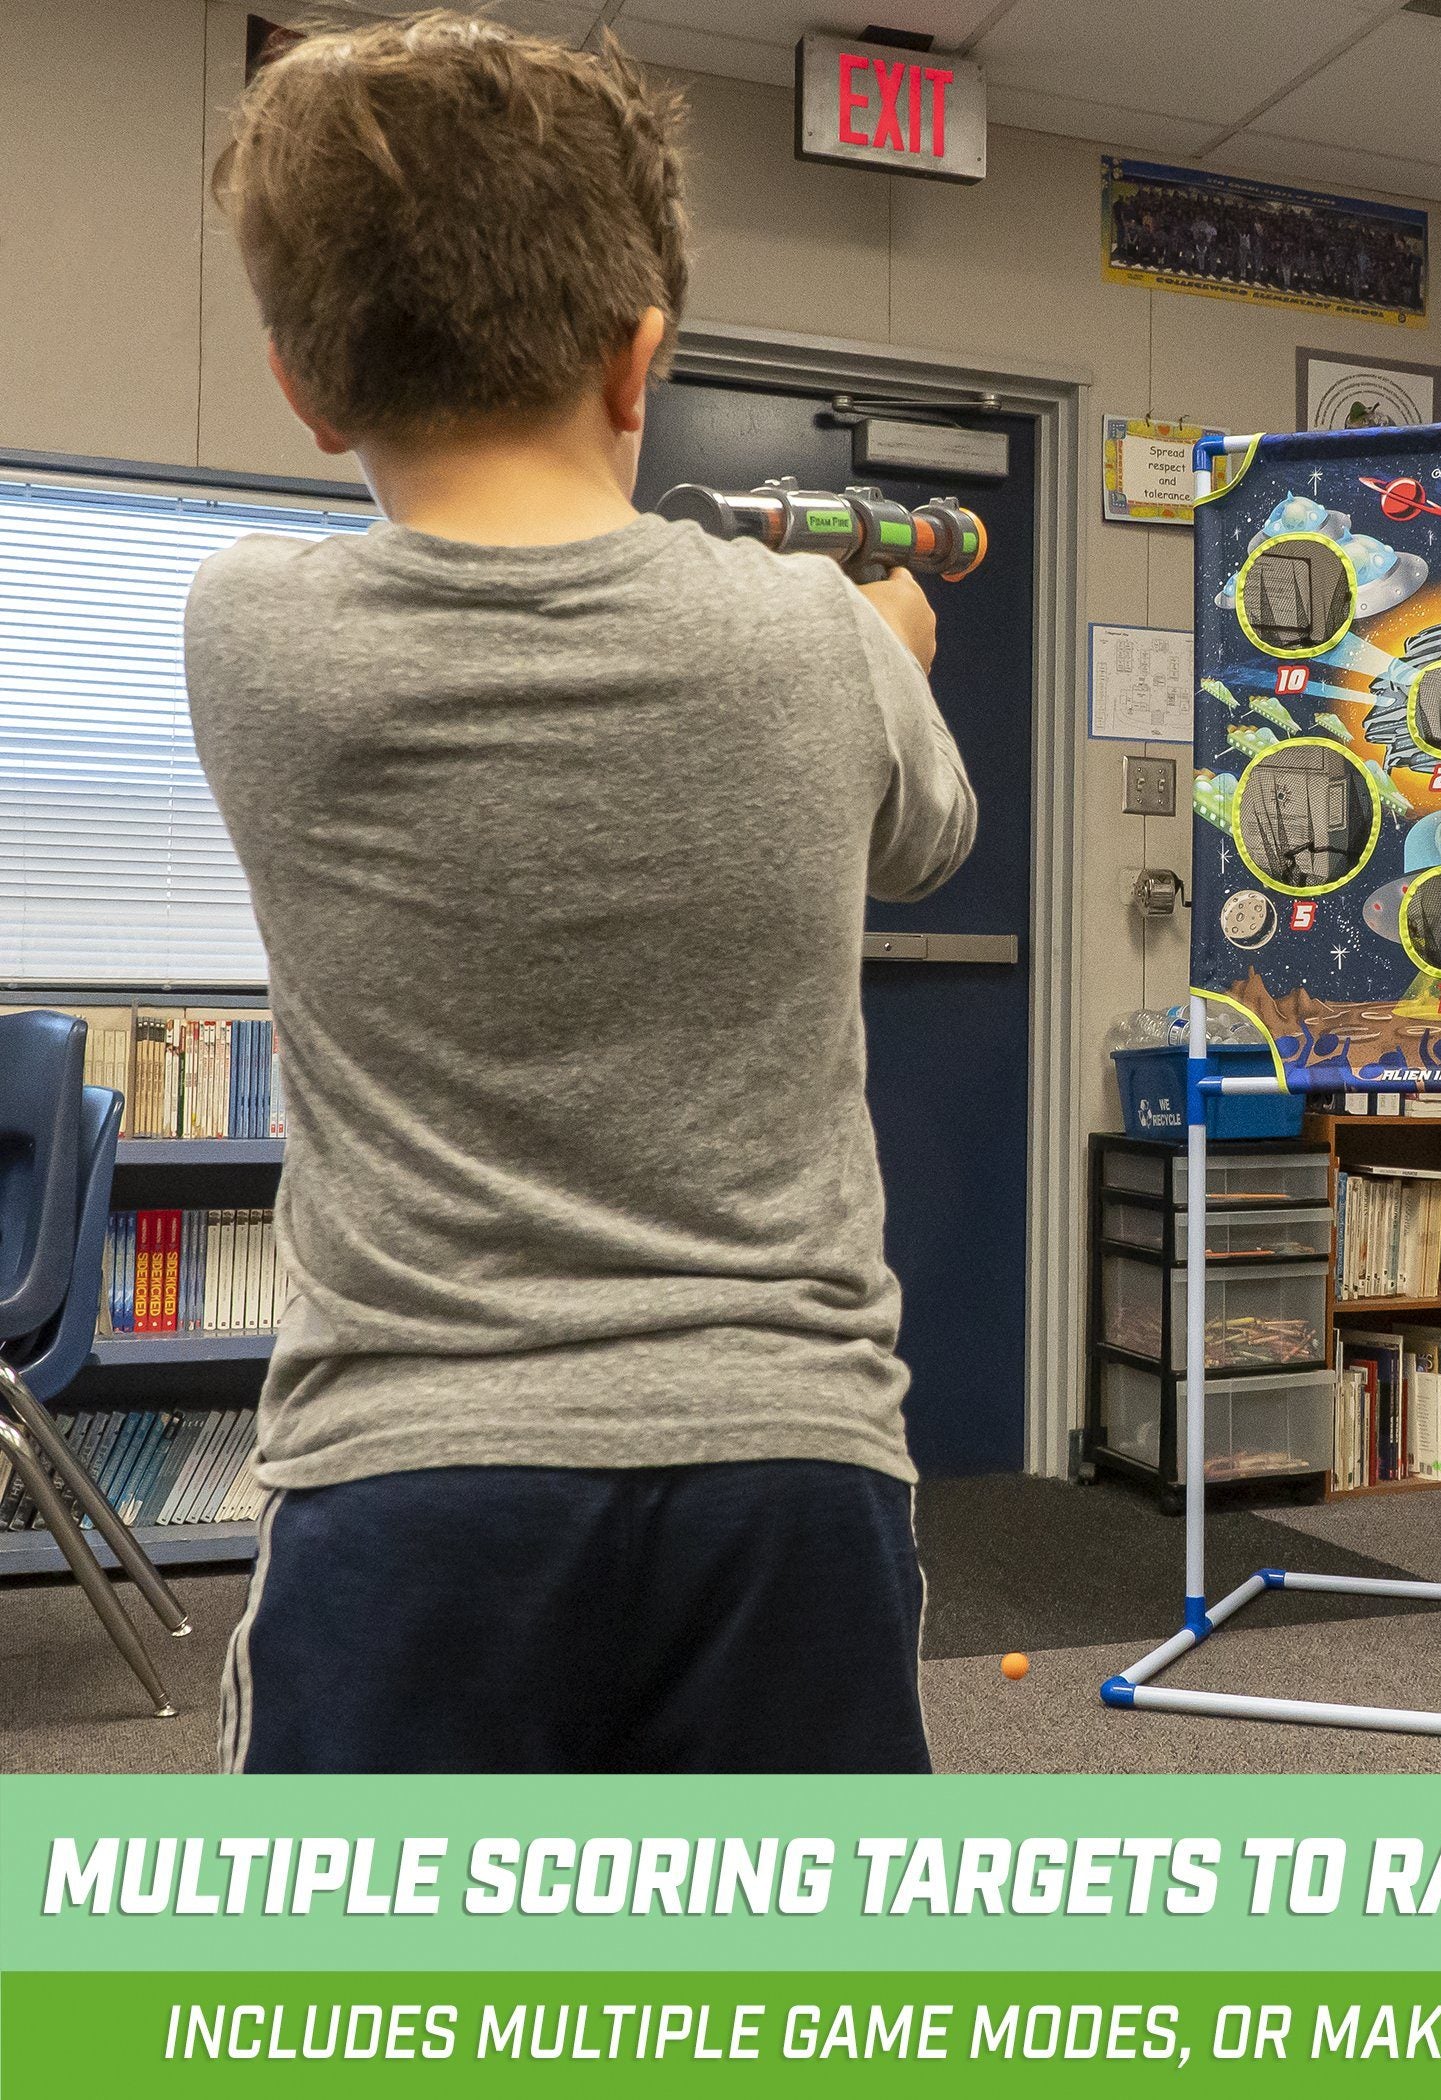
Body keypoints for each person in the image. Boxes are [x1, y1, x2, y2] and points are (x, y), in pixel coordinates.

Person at [186, 12, 975, 1773]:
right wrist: (892, 650)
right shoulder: (816, 643)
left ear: (306, 388)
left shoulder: (246, 632)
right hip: (788, 1468)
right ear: (643, 361)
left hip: (408, 1475)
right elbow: (922, 841)